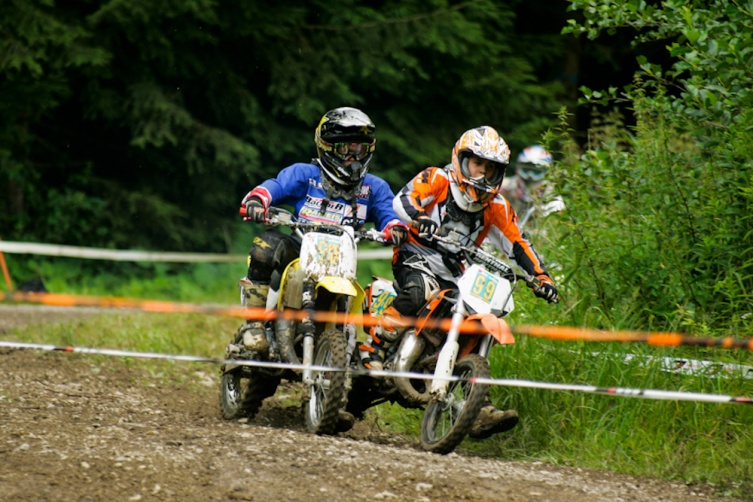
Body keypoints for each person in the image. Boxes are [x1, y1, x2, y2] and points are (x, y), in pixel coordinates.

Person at [359, 126, 559, 439]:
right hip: (416, 254)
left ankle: (477, 404)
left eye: (490, 168)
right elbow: (403, 200)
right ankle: (374, 347)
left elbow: (518, 243)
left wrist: (541, 276)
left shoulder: (497, 206)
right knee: (419, 291)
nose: (482, 174)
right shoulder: (438, 178)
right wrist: (419, 218)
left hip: (456, 271)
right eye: (477, 164)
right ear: (461, 159)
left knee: (478, 320)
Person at [238, 107, 408, 354]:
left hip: (342, 259)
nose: (353, 156)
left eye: (358, 149)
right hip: (299, 249)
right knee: (265, 247)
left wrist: (395, 229)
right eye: (345, 149)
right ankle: (253, 324)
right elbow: (275, 186)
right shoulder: (305, 175)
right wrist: (258, 200)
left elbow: (388, 213)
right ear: (327, 147)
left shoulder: (373, 187)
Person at [500, 144, 565, 229]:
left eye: (536, 172)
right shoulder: (505, 188)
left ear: (547, 173)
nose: (530, 177)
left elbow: (556, 232)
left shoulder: (554, 202)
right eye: (526, 170)